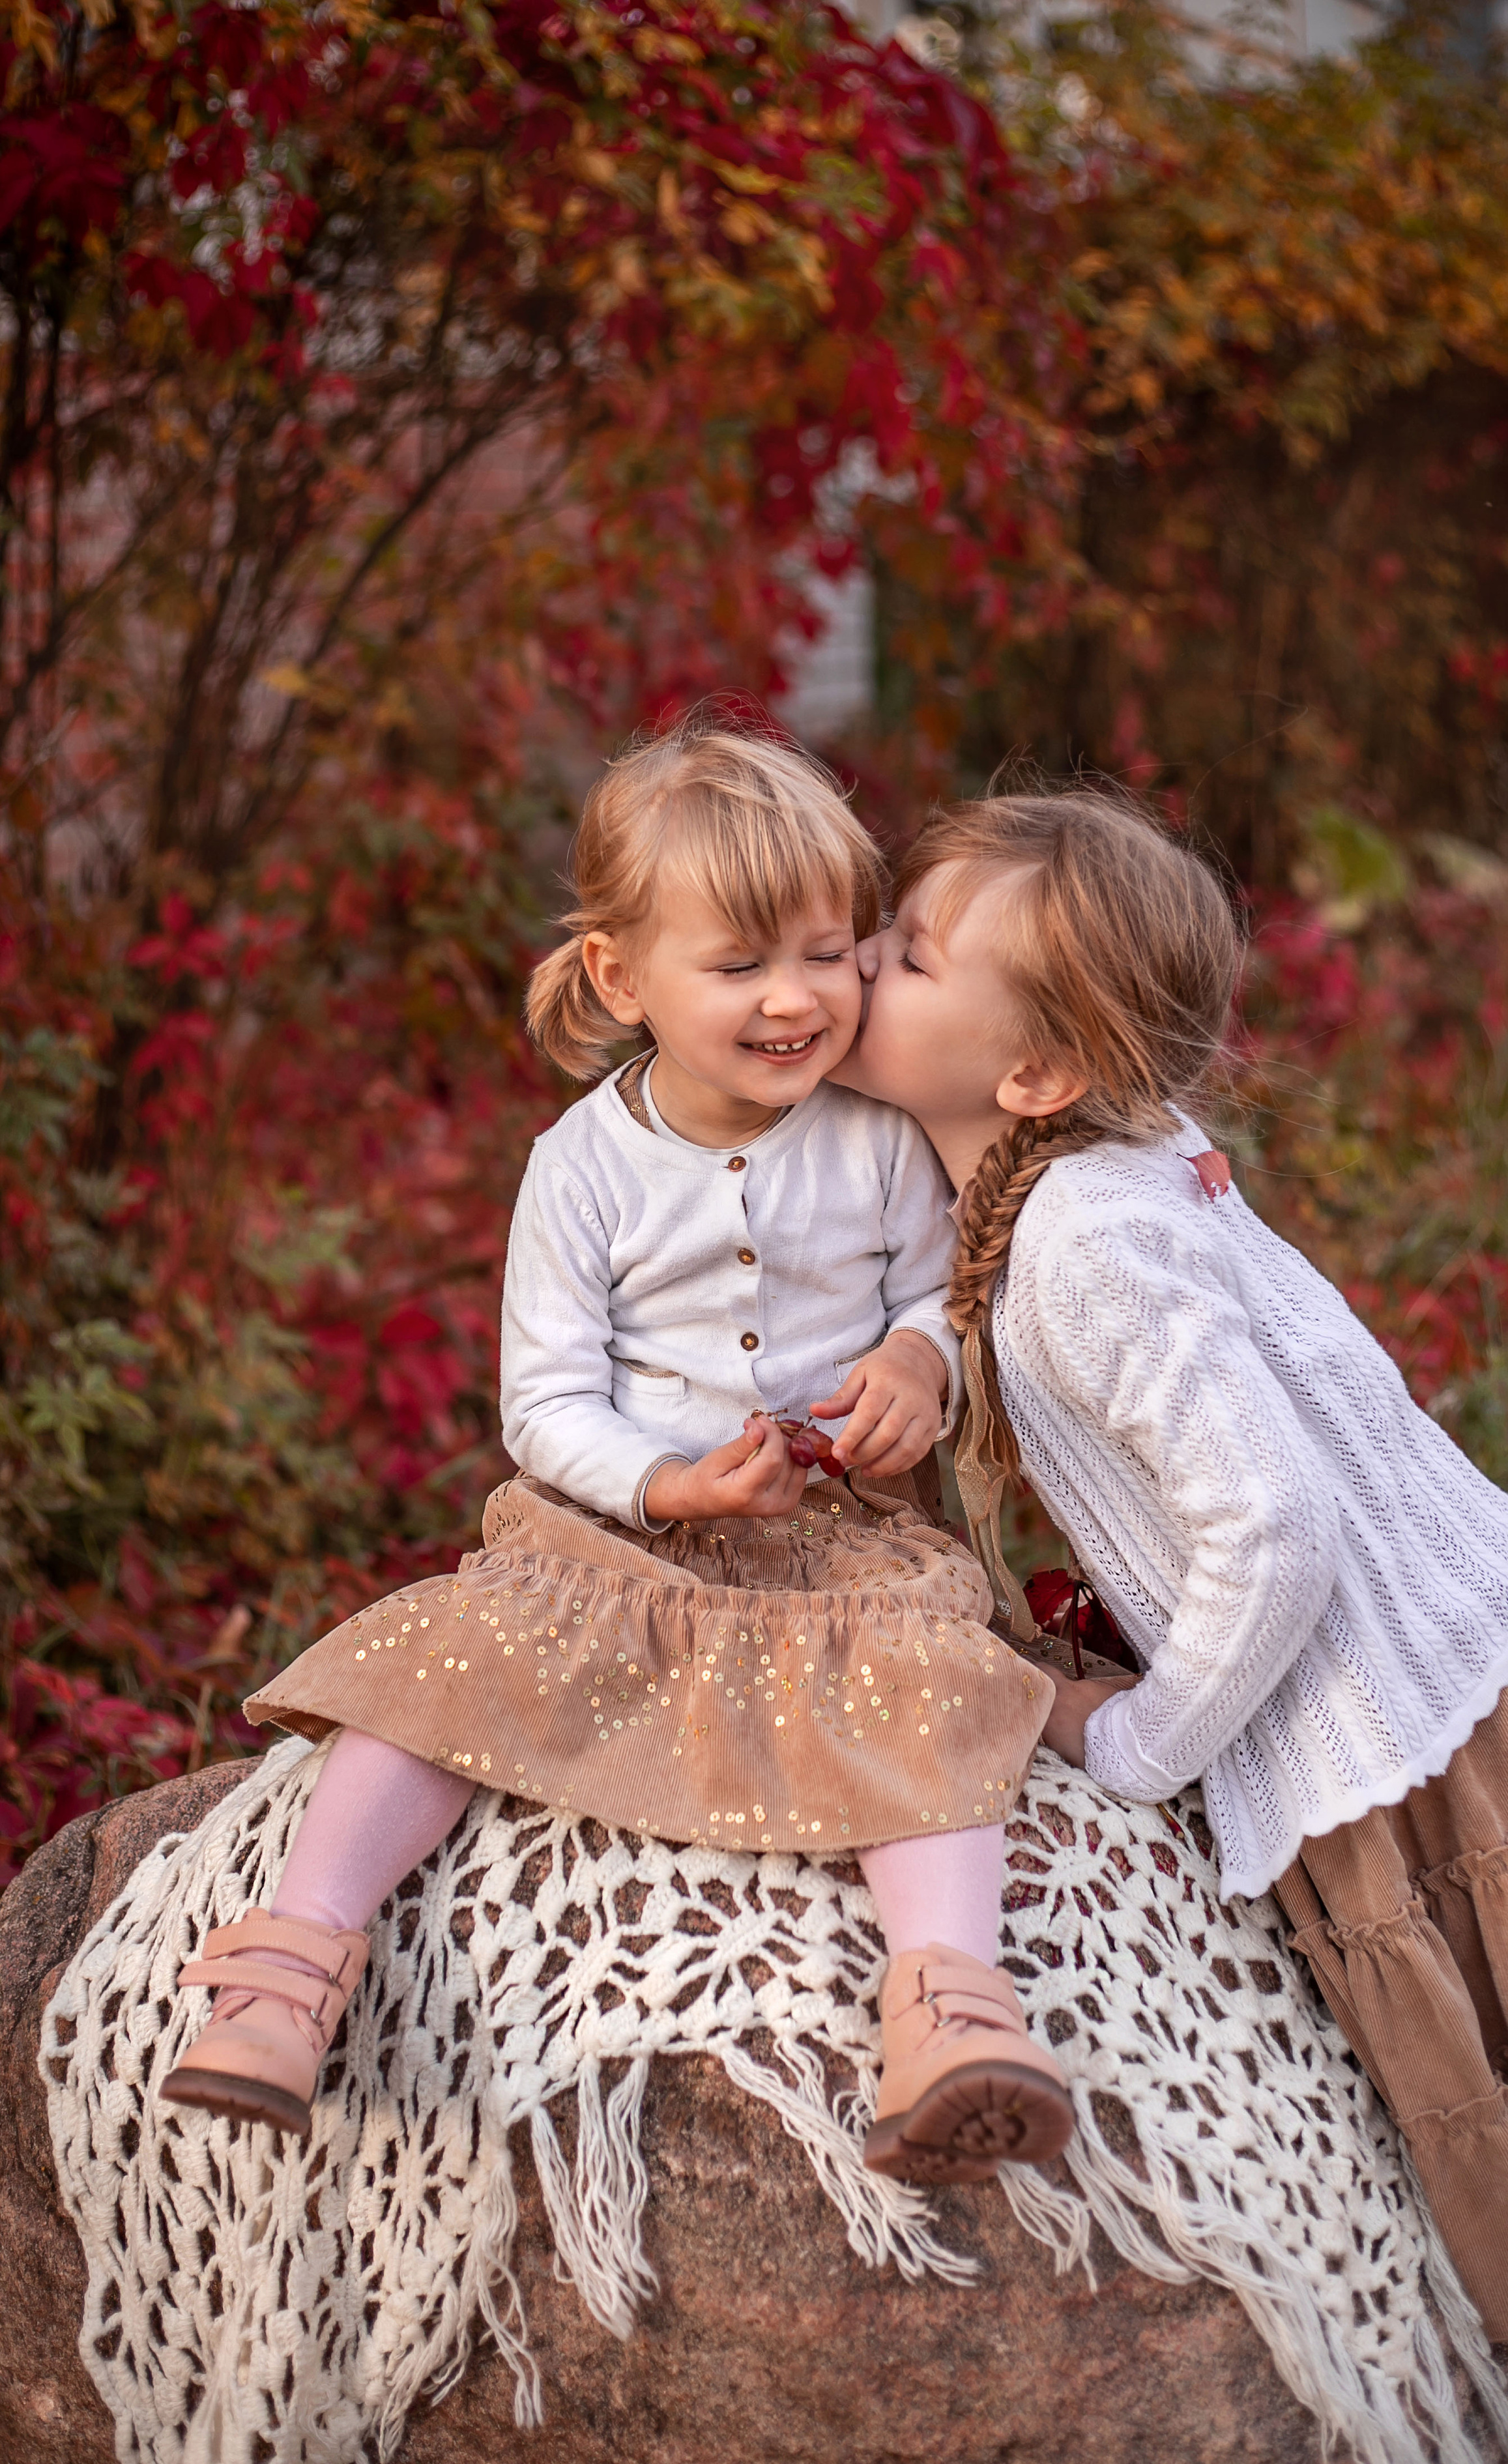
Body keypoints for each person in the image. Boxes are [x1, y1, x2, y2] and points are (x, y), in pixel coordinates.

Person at [159, 720, 1069, 2187]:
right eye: (739, 967)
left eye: (829, 953)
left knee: (931, 1689)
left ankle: (949, 2009)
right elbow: (545, 1403)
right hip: (630, 1531)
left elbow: (941, 1292)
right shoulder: (581, 1167)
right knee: (447, 1673)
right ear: (619, 978)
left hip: (838, 1537)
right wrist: (662, 1481)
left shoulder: (880, 1136)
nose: (795, 1000)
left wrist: (920, 1360)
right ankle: (292, 1965)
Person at [834, 783, 1508, 2379]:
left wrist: (1150, 1740)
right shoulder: (1113, 1151)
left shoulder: (1081, 1245)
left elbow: (1270, 1524)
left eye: (910, 954)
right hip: (1478, 1633)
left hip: (1396, 1731)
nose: (863, 963)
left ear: (1032, 1073)